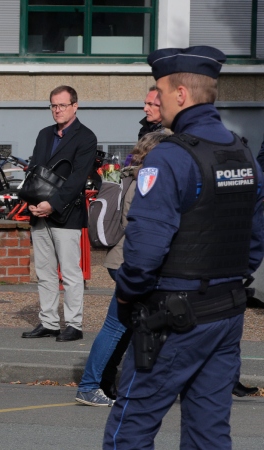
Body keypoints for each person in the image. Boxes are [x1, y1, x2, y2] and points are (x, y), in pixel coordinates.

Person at [104, 46, 264, 449]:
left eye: (159, 90)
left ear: (180, 94)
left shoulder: (169, 158)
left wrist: (128, 294)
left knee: (131, 426)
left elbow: (145, 249)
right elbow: (256, 234)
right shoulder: (243, 153)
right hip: (226, 312)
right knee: (208, 432)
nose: (154, 99)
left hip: (174, 316)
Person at [75, 132, 169, 407]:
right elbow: (137, 223)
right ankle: (90, 385)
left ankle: (103, 383)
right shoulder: (147, 179)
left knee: (125, 326)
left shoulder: (135, 174)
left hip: (123, 260)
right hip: (131, 261)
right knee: (117, 327)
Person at [21, 85, 97, 342]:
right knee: (44, 272)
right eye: (53, 105)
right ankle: (49, 322)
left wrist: (52, 204)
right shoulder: (44, 134)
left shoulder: (86, 137)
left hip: (66, 214)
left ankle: (74, 324)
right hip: (38, 213)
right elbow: (34, 171)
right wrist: (32, 202)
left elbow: (77, 180)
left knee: (70, 272)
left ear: (75, 106)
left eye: (62, 105)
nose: (57, 110)